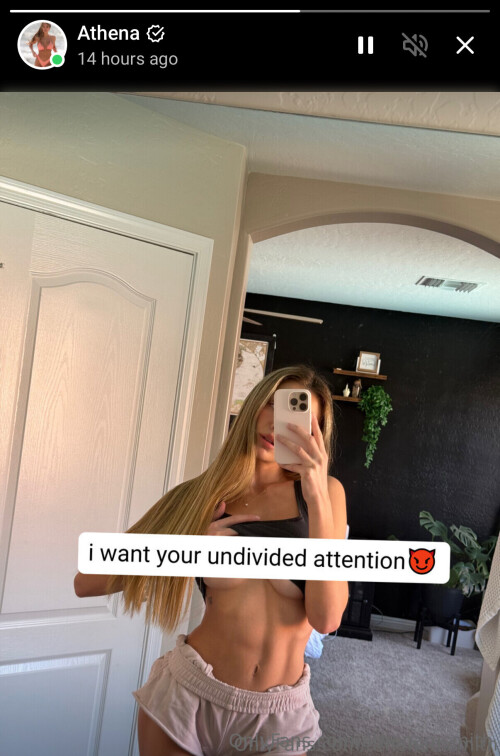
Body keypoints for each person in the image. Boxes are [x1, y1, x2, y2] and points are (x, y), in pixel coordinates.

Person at [74, 364, 349, 755]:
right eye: (272, 404)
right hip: (186, 697)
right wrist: (188, 550)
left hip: (277, 715)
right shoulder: (199, 496)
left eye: (298, 415)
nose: (278, 424)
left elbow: (327, 618)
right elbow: (87, 581)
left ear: (316, 435)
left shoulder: (327, 496)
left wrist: (317, 494)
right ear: (253, 406)